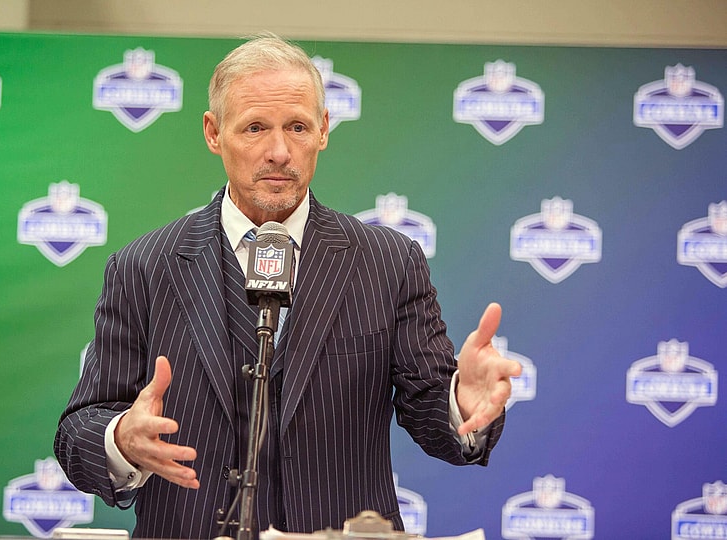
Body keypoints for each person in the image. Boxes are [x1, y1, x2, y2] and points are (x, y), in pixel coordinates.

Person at [54, 32, 522, 539]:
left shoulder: (389, 262)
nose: (279, 151)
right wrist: (120, 439)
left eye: (297, 126)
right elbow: (79, 428)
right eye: (255, 127)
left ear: (323, 129)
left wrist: (462, 403)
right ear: (213, 133)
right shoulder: (144, 266)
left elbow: (431, 411)